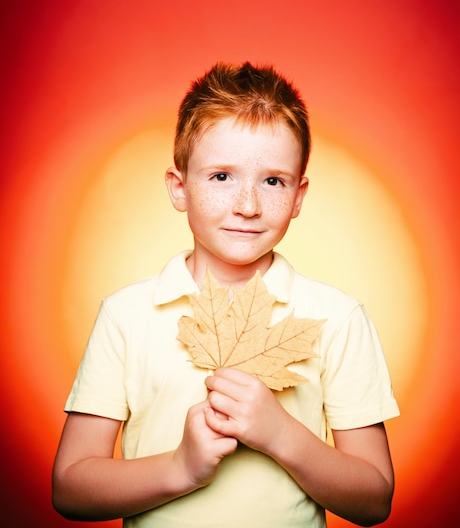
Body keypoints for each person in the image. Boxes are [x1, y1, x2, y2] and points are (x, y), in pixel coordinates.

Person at [52, 62, 399, 528]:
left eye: (273, 181)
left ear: (299, 196)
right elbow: (70, 487)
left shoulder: (337, 318)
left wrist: (280, 434)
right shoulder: (125, 316)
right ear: (179, 188)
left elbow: (374, 500)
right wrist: (180, 469)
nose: (248, 205)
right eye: (221, 177)